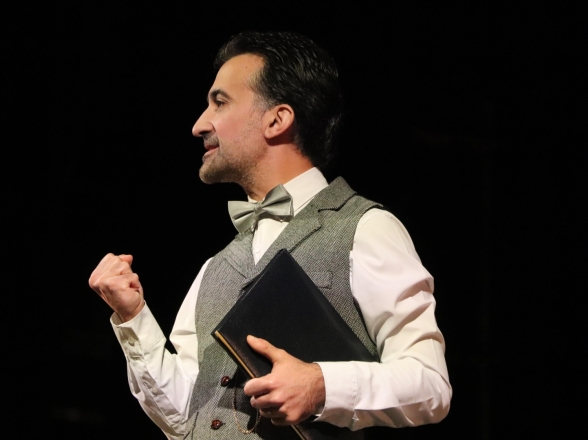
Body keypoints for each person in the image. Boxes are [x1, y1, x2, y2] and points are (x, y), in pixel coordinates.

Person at [89, 31, 451, 439]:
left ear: (277, 119)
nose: (199, 125)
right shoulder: (216, 267)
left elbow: (430, 385)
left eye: (220, 102)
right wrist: (133, 317)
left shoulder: (364, 228)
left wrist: (321, 386)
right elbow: (185, 417)